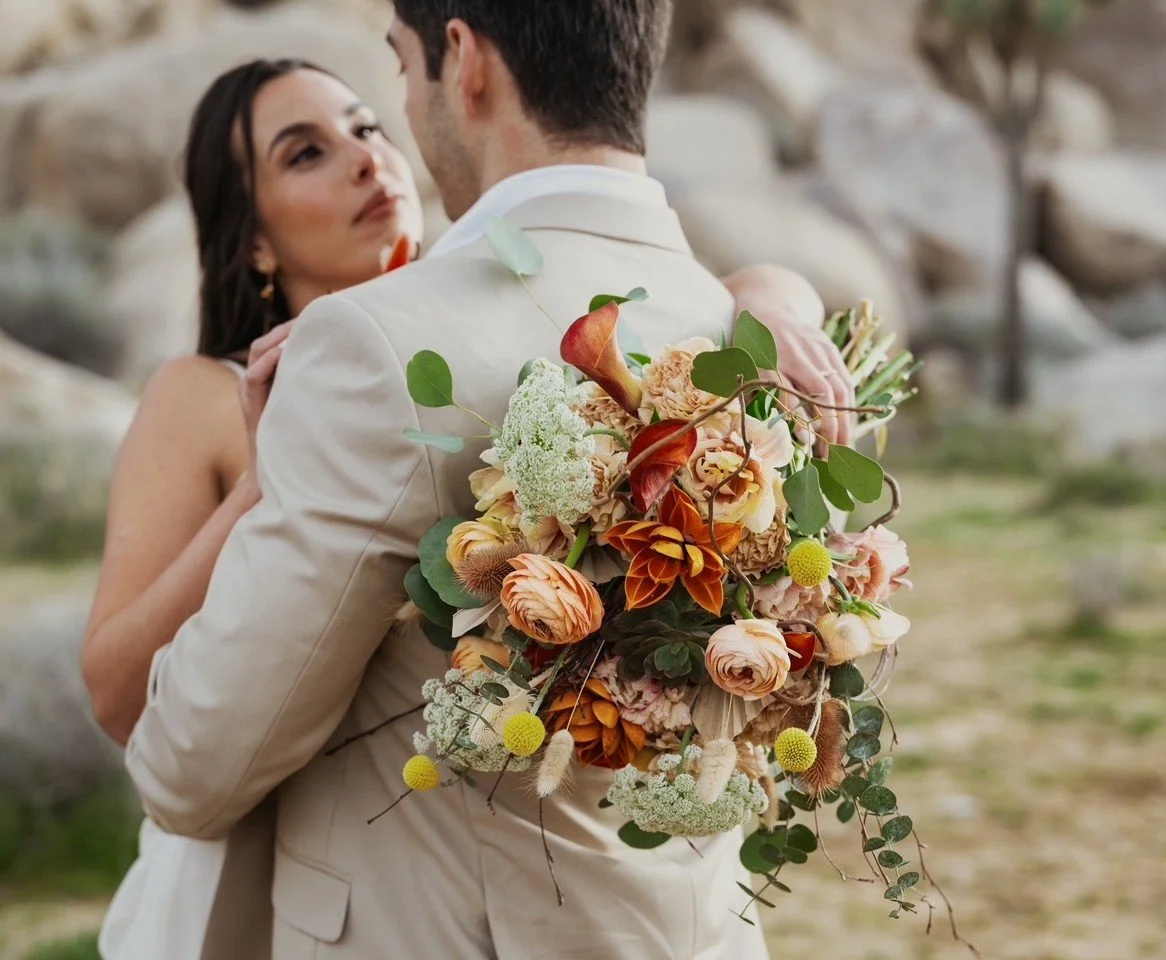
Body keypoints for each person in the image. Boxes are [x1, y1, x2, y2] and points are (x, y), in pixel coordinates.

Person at [120, 4, 862, 958]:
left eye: (399, 71)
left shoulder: (376, 348)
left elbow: (195, 767)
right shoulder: (754, 340)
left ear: (461, 61)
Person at [83, 59, 426, 960]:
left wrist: (768, 298)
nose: (364, 160)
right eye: (306, 152)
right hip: (252, 890)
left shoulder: (487, 359)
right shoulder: (201, 396)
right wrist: (261, 485)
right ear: (256, 246)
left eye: (366, 127)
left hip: (443, 878)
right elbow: (116, 693)